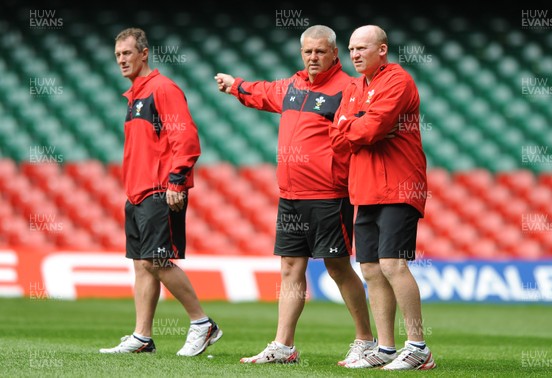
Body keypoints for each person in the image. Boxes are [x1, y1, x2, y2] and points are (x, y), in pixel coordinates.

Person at [214, 24, 375, 366]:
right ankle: (283, 345)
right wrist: (235, 86)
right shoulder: (292, 85)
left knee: (336, 265)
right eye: (308, 52)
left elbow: (366, 129)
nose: (313, 57)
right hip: (290, 194)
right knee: (289, 266)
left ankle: (365, 340)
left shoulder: (349, 88)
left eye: (320, 51)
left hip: (330, 194)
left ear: (335, 53)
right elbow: (262, 91)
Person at [99, 27, 222, 356]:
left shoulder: (162, 89)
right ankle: (142, 336)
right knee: (142, 264)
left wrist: (177, 180)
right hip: (137, 192)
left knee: (156, 260)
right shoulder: (136, 96)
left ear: (143, 53)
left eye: (127, 53)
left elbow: (187, 140)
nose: (122, 60)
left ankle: (202, 323)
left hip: (159, 189)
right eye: (117, 55)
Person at [330, 25, 436, 370]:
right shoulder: (354, 86)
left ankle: (418, 345)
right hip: (365, 188)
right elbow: (337, 136)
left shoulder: (397, 81)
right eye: (351, 49)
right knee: (372, 269)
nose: (355, 54)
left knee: (393, 264)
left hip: (399, 185)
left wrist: (357, 124)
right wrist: (357, 125)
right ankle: (387, 348)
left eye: (362, 48)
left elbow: (371, 130)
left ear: (383, 49)